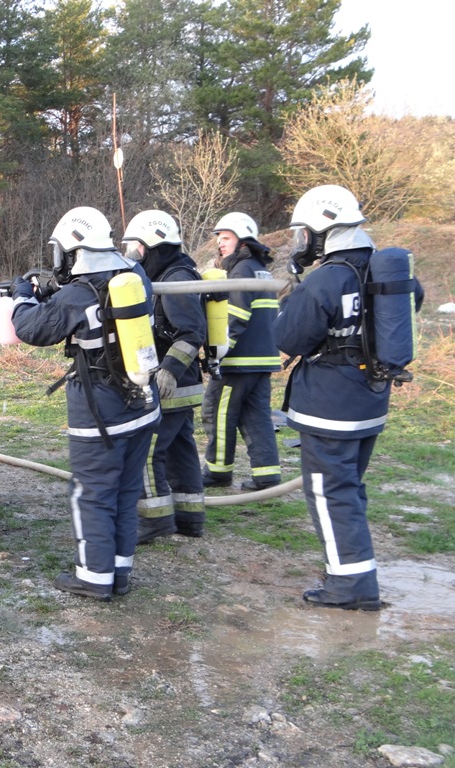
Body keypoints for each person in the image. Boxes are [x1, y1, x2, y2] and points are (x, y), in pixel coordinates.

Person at [273, 184, 423, 611]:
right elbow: (412, 302)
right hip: (370, 399)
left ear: (323, 231)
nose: (301, 241)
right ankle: (354, 572)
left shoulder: (326, 278)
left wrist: (291, 300)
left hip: (329, 405)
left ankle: (350, 585)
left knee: (330, 493)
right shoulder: (383, 271)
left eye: (304, 232)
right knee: (349, 489)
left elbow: (289, 338)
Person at [10, 206, 161, 600]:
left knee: (92, 493)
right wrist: (53, 294)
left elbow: (31, 328)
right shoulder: (135, 276)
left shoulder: (78, 295)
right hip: (142, 403)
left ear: (73, 250)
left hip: (101, 410)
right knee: (126, 492)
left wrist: (22, 297)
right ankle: (118, 573)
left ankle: (93, 577)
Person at [121, 210, 208, 541]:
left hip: (171, 385)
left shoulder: (174, 280)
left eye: (133, 247)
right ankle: (189, 517)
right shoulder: (170, 273)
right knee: (180, 449)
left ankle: (154, 519)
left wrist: (170, 370)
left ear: (146, 247)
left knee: (147, 451)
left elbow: (191, 332)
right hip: (183, 385)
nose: (130, 254)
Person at [201, 212, 282, 491]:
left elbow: (234, 317)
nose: (220, 243)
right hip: (262, 359)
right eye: (219, 238)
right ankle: (267, 475)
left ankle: (218, 471)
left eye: (226, 238)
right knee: (256, 416)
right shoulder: (260, 268)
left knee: (218, 412)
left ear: (243, 241)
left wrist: (217, 354)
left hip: (239, 360)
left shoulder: (241, 270)